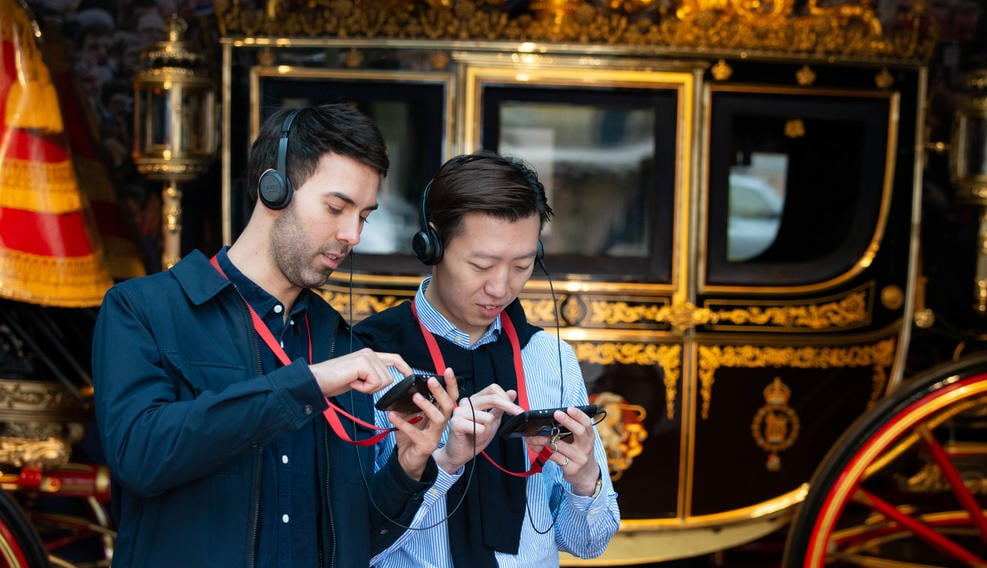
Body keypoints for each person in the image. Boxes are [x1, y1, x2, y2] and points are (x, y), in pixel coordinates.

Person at [91, 104, 458, 567]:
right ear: (274, 188)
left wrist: (408, 465)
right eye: (335, 207)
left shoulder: (339, 342)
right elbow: (140, 456)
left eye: (363, 215)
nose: (352, 234)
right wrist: (307, 384)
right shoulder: (142, 309)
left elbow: (357, 539)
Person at [356, 151, 620, 567]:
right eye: (481, 265)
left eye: (522, 265)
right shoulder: (370, 359)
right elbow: (353, 543)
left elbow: (589, 544)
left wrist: (585, 478)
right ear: (433, 243)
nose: (501, 287)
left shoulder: (549, 359)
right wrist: (442, 462)